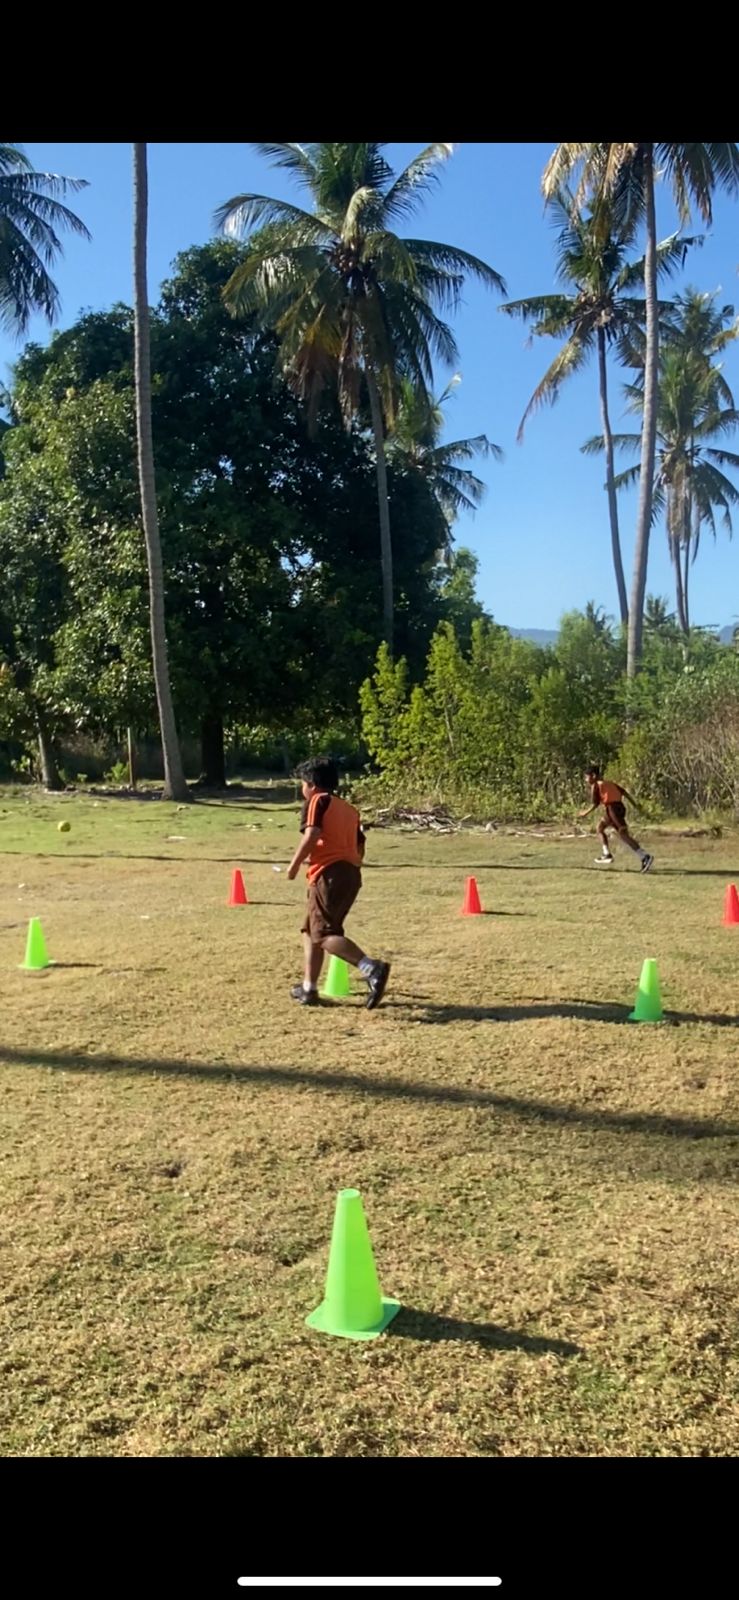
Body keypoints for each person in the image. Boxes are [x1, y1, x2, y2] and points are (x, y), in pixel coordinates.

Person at [286, 755, 391, 1008]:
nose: (302, 790)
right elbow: (360, 845)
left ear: (311, 784)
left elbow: (312, 834)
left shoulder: (317, 801)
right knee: (310, 930)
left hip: (329, 873)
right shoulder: (349, 809)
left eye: (302, 784)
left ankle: (371, 968)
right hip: (349, 873)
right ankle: (309, 988)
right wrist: (350, 865)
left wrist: (294, 865)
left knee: (325, 934)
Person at [579, 763, 654, 872]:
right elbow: (625, 793)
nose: (586, 780)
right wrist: (635, 805)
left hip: (612, 810)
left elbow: (595, 804)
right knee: (600, 828)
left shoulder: (596, 785)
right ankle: (606, 854)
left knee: (623, 835)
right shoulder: (610, 783)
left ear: (593, 776)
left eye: (587, 777)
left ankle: (645, 856)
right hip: (618, 808)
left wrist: (584, 813)